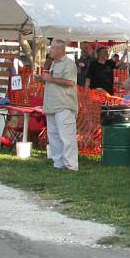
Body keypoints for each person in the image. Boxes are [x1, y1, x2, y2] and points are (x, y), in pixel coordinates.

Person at [42, 38, 79, 171]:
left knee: (66, 137)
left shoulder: (69, 64)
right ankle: (59, 163)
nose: (50, 50)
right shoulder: (54, 63)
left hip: (64, 105)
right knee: (54, 136)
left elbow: (70, 82)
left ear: (60, 49)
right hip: (52, 105)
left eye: (52, 48)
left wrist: (50, 79)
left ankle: (71, 165)